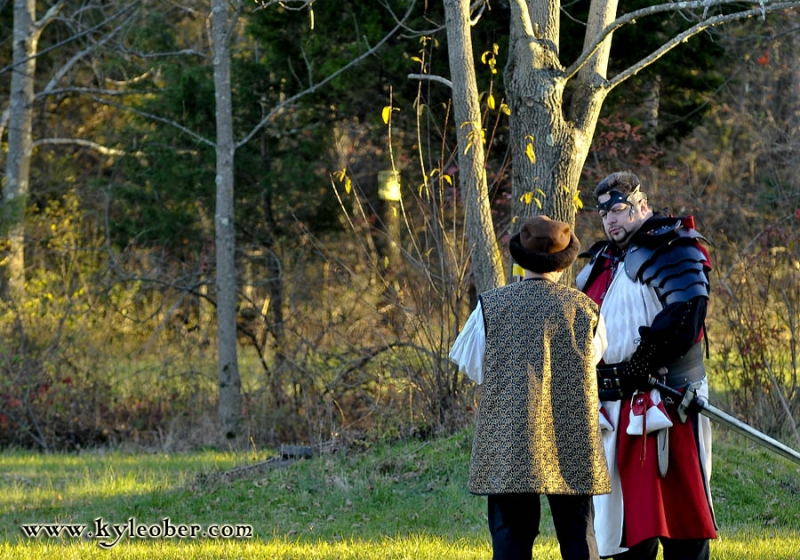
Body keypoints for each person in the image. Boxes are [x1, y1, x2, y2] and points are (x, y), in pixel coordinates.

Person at [450, 215, 611, 560]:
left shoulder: (490, 307)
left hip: (512, 434)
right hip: (572, 433)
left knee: (511, 537)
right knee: (578, 535)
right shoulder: (586, 310)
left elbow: (475, 366)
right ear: (563, 259)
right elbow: (593, 360)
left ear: (519, 255)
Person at [575, 171, 717, 560]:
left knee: (680, 522)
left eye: (619, 210)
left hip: (669, 405)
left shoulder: (674, 246)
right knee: (624, 529)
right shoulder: (602, 260)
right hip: (613, 409)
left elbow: (687, 310)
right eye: (605, 214)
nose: (611, 221)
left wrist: (645, 358)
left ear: (642, 205)